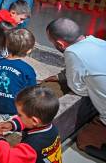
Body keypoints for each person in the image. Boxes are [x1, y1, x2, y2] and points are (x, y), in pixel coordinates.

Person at [45, 18, 106, 160]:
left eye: (52, 43)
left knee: (85, 139)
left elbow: (79, 89)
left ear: (60, 43)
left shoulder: (72, 52)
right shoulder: (98, 42)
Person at [0, 86, 62, 163]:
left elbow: (7, 159)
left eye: (20, 115)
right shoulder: (50, 128)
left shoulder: (32, 146)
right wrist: (12, 124)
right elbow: (29, 123)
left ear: (34, 121)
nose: (17, 116)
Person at [0, 28, 36, 120]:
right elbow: (32, 93)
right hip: (14, 109)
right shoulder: (28, 70)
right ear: (29, 51)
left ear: (7, 45)